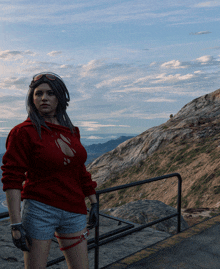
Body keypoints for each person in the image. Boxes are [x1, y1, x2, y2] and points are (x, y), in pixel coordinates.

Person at [1, 72, 99, 269]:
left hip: (74, 210)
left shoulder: (71, 131)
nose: (44, 98)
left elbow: (79, 170)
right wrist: (15, 224)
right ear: (32, 98)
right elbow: (12, 179)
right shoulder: (23, 132)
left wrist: (94, 201)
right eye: (38, 94)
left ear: (60, 98)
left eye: (50, 93)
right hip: (40, 210)